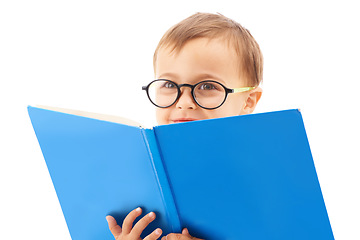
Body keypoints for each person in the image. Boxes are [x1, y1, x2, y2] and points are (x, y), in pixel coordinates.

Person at [106, 12, 263, 240]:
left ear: (248, 101)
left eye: (208, 86)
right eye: (169, 84)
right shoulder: (136, 172)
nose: (184, 103)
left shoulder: (258, 179)